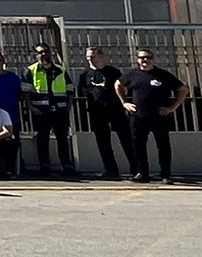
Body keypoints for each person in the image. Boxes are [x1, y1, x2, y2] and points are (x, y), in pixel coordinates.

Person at [116, 49, 188, 184]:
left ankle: (166, 175)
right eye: (142, 58)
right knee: (138, 145)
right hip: (138, 116)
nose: (145, 60)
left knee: (163, 146)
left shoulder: (163, 75)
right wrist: (125, 102)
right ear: (137, 59)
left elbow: (183, 89)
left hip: (159, 116)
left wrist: (172, 107)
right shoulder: (132, 75)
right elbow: (118, 84)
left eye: (148, 57)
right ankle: (142, 174)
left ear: (153, 59)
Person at [76, 47, 133, 179]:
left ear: (101, 57)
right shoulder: (85, 74)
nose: (90, 59)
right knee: (103, 142)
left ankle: (136, 168)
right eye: (88, 56)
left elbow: (123, 87)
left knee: (127, 140)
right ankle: (111, 170)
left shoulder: (112, 72)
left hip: (116, 110)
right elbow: (84, 91)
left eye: (93, 56)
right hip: (97, 112)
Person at [23, 44, 74, 176]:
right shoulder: (31, 70)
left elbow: (70, 90)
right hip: (41, 110)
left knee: (62, 139)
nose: (43, 54)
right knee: (42, 139)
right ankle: (45, 165)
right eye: (40, 52)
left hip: (60, 110)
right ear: (36, 55)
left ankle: (67, 165)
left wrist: (68, 107)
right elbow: (26, 92)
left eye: (46, 52)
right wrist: (31, 107)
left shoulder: (60, 70)